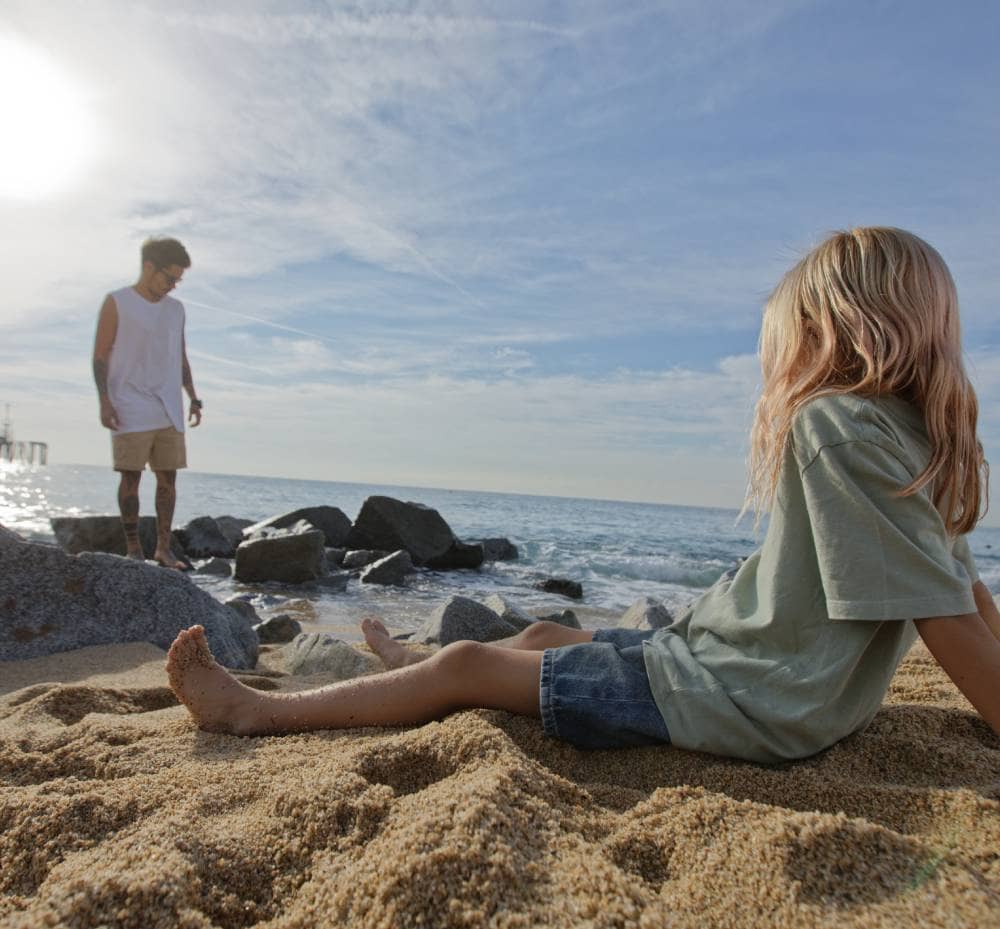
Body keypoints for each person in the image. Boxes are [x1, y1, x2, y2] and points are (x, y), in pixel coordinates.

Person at [166, 227, 1000, 762]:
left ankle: (254, 715)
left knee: (471, 660)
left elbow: (953, 622)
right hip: (732, 667)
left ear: (831, 333)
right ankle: (405, 673)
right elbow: (970, 590)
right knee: (540, 629)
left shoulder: (836, 426)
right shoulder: (914, 442)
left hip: (744, 698)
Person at [92, 237, 202, 569]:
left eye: (178, 280)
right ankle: (133, 549)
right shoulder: (118, 302)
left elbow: (180, 357)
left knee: (168, 481)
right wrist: (105, 401)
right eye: (169, 278)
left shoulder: (176, 310)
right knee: (131, 479)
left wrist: (194, 397)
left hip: (168, 406)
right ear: (148, 267)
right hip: (128, 405)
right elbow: (100, 356)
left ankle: (164, 549)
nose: (172, 286)